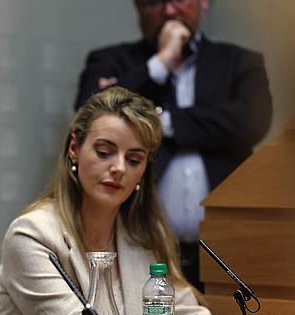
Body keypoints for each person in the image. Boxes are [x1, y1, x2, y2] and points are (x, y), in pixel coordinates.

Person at [0, 87, 272, 315]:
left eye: (134, 159)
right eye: (105, 152)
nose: (119, 168)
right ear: (74, 148)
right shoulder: (33, 235)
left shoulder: (143, 235)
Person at [74, 0, 272, 290]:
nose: (169, 12)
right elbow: (90, 118)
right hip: (138, 245)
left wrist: (160, 121)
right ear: (138, 8)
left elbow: (251, 122)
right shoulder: (111, 60)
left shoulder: (239, 62)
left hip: (228, 247)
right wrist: (161, 62)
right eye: (155, 2)